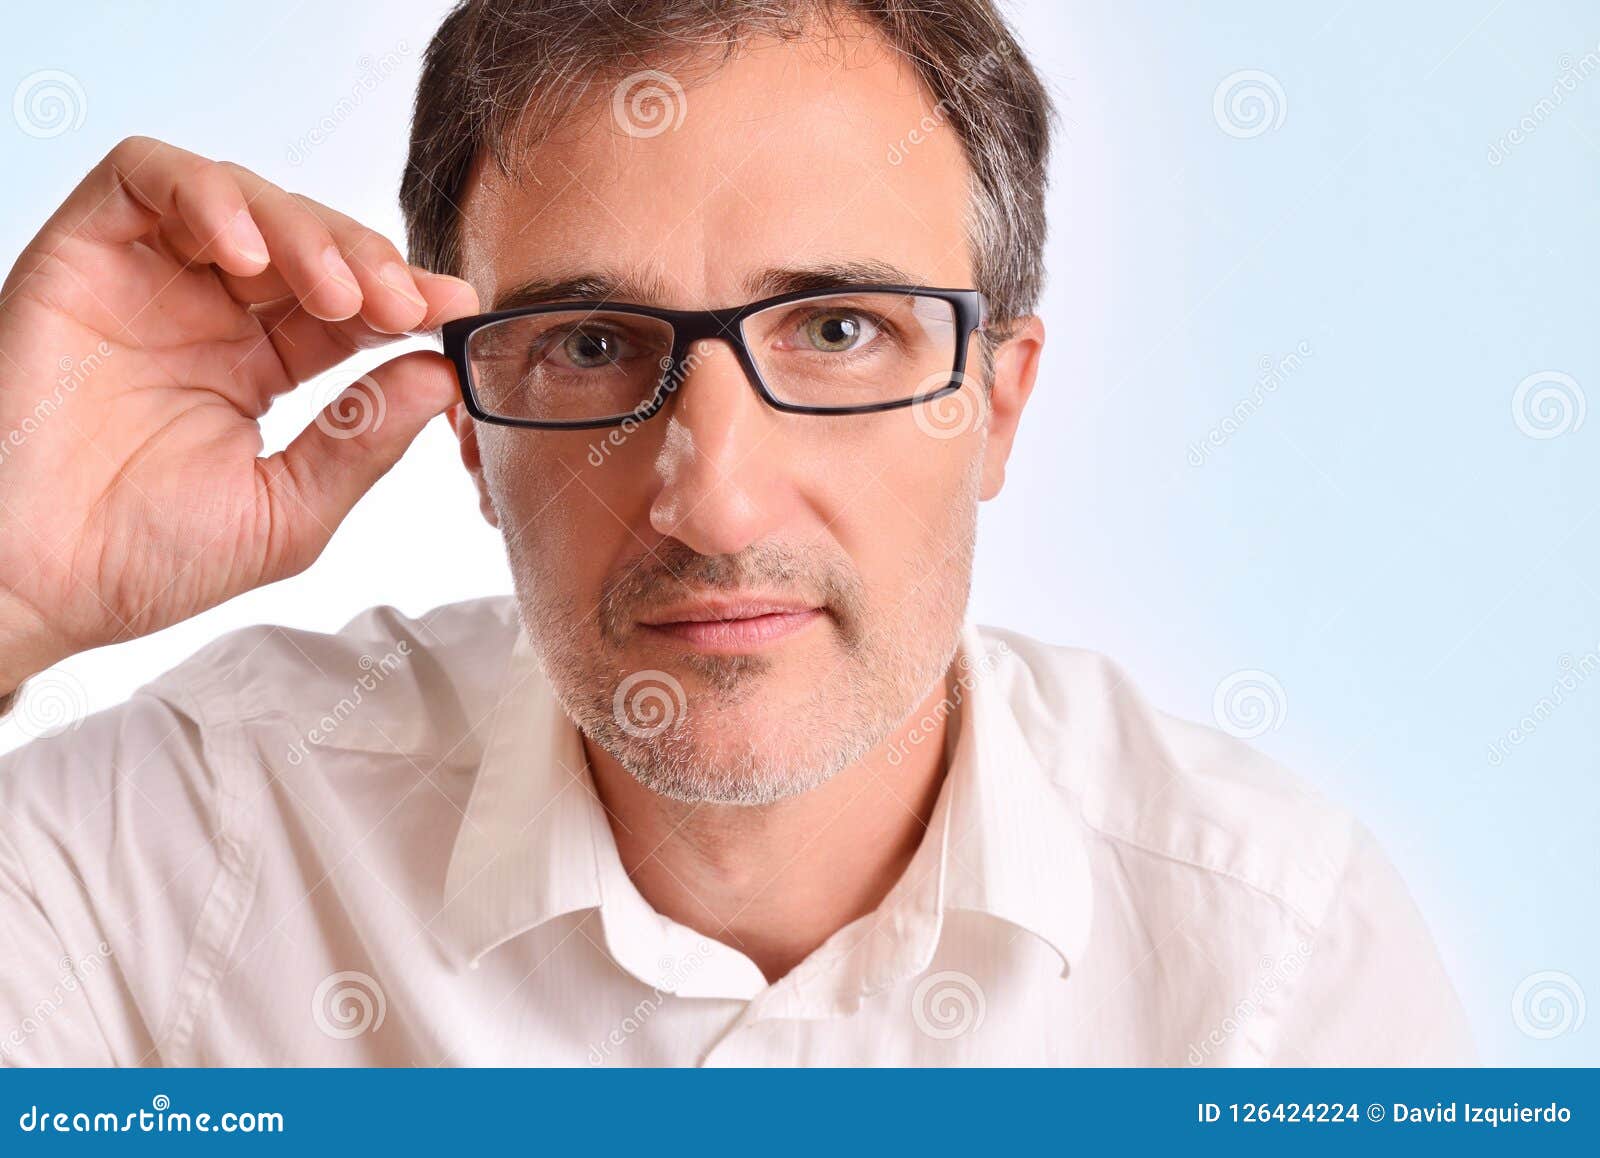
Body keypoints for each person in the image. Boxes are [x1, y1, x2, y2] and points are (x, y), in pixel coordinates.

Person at [0, 0, 1472, 1066]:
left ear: (996, 406)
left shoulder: (1274, 971)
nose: (710, 499)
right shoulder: (182, 851)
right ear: (466, 425)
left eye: (839, 327)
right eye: (586, 344)